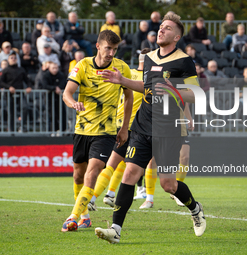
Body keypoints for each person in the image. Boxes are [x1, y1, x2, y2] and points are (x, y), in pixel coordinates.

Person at [95, 13, 206, 244]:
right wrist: (122, 80)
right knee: (129, 173)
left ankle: (195, 209)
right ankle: (115, 229)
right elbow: (146, 88)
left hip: (168, 130)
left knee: (168, 184)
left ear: (176, 36)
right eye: (161, 27)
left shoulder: (184, 60)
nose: (161, 30)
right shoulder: (150, 58)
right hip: (142, 125)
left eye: (167, 28)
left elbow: (196, 95)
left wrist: (173, 91)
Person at [61, 30, 133, 231]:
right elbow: (66, 93)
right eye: (108, 48)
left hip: (106, 132)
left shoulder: (121, 68)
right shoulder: (82, 65)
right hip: (82, 129)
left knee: (92, 173)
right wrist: (73, 103)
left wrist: (124, 128)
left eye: (115, 49)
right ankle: (84, 216)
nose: (111, 53)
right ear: (98, 46)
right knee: (78, 176)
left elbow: (129, 97)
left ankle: (73, 216)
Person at [88, 48, 152, 211]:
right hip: (131, 128)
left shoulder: (127, 74)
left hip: (117, 123)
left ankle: (109, 194)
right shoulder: (148, 81)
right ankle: (93, 197)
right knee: (112, 164)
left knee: (123, 163)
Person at [0, 51, 32, 132]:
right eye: (11, 58)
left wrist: (29, 87)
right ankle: (11, 130)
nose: (13, 59)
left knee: (25, 107)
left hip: (20, 93)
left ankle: (22, 126)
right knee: (11, 112)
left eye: (15, 58)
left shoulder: (21, 69)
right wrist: (9, 87)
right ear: (8, 60)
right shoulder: (5, 70)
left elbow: (28, 80)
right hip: (9, 94)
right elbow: (0, 82)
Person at [41, 62, 66, 132]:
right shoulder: (45, 75)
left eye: (56, 68)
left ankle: (62, 130)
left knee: (61, 114)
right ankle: (52, 131)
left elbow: (63, 84)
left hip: (59, 98)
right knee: (51, 115)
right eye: (53, 68)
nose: (55, 70)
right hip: (49, 98)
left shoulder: (60, 75)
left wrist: (58, 88)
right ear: (49, 68)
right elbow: (45, 85)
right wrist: (54, 88)